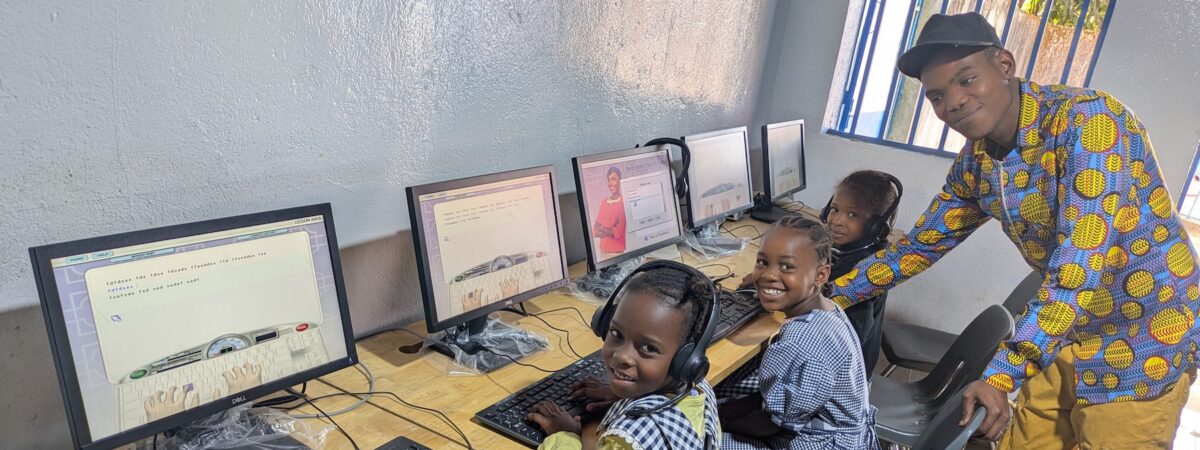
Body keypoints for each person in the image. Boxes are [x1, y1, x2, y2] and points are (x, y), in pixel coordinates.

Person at [828, 12, 1200, 447]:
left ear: (1004, 65)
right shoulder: (978, 159)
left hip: (1145, 336)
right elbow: (917, 248)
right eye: (937, 95)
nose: (953, 102)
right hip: (1065, 329)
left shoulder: (1091, 123)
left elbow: (1077, 266)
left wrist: (1002, 375)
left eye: (967, 80)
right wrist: (827, 295)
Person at [718, 216, 878, 449]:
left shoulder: (799, 340)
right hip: (848, 437)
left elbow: (771, 424)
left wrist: (718, 421)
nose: (769, 275)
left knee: (697, 440)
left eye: (787, 267)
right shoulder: (830, 310)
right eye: (763, 262)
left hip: (819, 444)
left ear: (821, 275)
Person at [527, 265, 722, 449]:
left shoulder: (634, 436)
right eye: (616, 334)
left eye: (647, 347)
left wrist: (566, 435)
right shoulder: (698, 389)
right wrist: (623, 397)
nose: (622, 356)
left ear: (685, 362)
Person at [825, 170, 900, 375]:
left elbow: (850, 338)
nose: (837, 220)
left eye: (852, 214)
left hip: (844, 378)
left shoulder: (865, 273)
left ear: (875, 226)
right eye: (834, 209)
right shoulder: (852, 249)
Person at [594, 167, 627, 257]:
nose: (610, 183)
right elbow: (595, 229)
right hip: (603, 251)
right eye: (608, 180)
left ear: (620, 181)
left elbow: (618, 232)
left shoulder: (623, 202)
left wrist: (603, 228)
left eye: (614, 179)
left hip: (616, 253)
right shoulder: (604, 202)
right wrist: (608, 228)